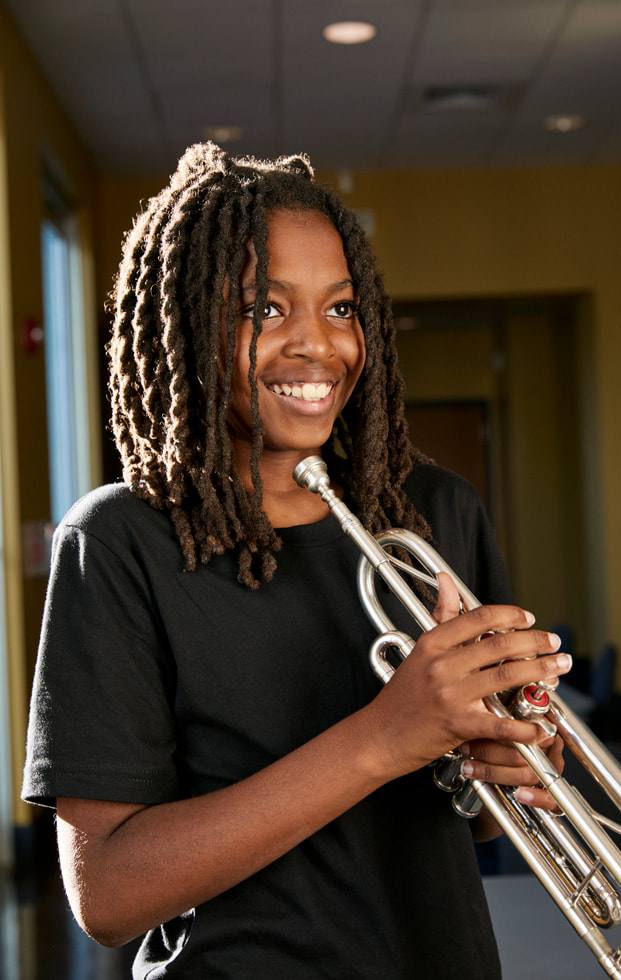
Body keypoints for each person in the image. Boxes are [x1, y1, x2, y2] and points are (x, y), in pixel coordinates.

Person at [23, 143, 569, 978]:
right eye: (265, 309)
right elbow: (108, 897)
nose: (318, 345)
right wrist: (383, 738)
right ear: (187, 325)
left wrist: (519, 759)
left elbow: (481, 819)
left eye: (341, 308)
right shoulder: (119, 539)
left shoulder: (436, 508)